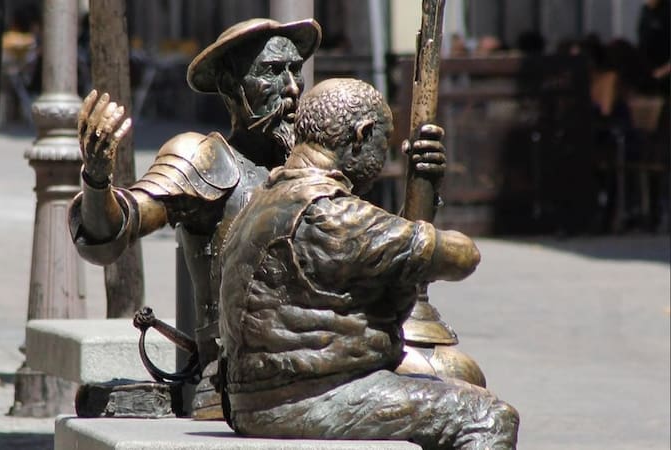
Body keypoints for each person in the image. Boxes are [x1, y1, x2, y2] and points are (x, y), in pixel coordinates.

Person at [218, 78, 519, 449]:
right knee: (488, 417)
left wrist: (425, 189)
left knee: (456, 379)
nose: (383, 158)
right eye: (384, 142)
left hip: (254, 397)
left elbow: (373, 248)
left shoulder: (266, 196)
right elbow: (462, 257)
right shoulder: (332, 214)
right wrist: (425, 225)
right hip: (308, 398)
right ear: (361, 135)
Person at [67, 18, 322, 417]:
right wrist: (98, 183)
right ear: (229, 86)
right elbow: (109, 234)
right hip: (236, 382)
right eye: (272, 71)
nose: (292, 88)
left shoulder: (315, 167)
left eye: (295, 70)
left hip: (321, 361)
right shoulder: (204, 160)